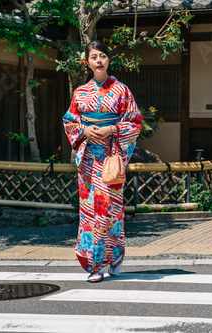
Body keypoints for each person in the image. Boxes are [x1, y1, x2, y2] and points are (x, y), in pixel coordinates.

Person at [63, 40, 143, 282]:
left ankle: (116, 253)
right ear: (87, 62)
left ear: (109, 60)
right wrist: (83, 131)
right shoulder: (80, 92)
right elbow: (69, 121)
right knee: (90, 211)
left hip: (111, 156)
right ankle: (95, 265)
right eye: (94, 57)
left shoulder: (122, 91)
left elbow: (135, 122)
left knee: (111, 209)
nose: (99, 61)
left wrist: (112, 130)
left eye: (103, 56)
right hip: (88, 159)